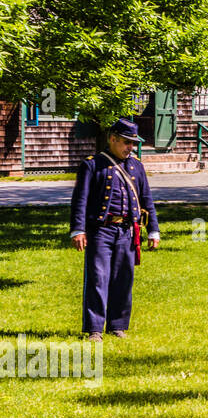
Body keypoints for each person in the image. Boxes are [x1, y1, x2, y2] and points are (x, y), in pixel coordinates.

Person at [70, 119, 161, 341]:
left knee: (123, 279)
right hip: (101, 230)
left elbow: (146, 199)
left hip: (127, 231)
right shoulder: (92, 165)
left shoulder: (136, 166)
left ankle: (117, 325)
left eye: (133, 143)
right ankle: (94, 329)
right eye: (126, 142)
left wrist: (153, 231)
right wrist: (78, 230)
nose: (130, 147)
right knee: (98, 278)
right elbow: (80, 200)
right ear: (112, 139)